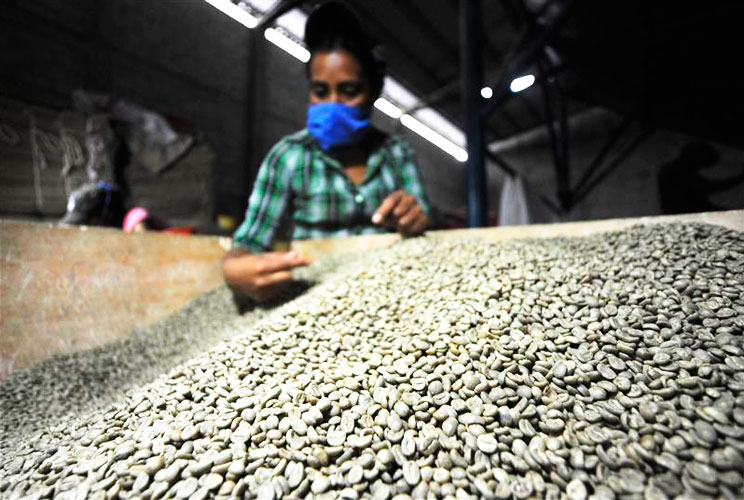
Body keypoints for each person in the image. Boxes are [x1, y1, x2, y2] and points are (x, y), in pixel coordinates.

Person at [223, 2, 431, 303]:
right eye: (320, 92)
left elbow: (424, 221)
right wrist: (234, 270)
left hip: (393, 293)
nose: (332, 104)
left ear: (372, 90)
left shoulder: (397, 155)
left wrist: (414, 218)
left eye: (349, 91)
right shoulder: (288, 157)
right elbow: (250, 240)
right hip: (314, 298)